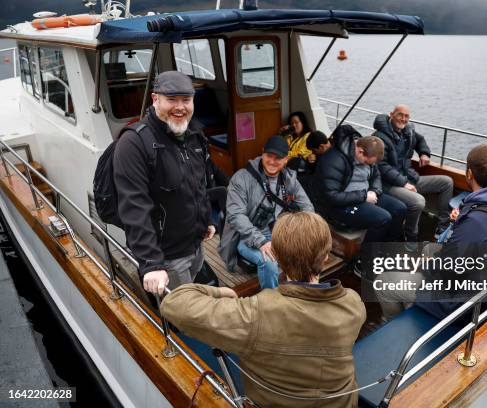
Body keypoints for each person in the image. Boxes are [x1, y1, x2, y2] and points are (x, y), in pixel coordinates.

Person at [161, 212, 366, 408]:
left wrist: (221, 292)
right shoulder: (353, 304)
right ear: (325, 258)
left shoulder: (255, 313)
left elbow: (174, 303)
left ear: (275, 257)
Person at [378, 145, 487, 319]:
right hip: (485, 278)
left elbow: (449, 269)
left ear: (469, 174)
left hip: (459, 301)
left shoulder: (476, 222)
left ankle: (396, 327)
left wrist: (426, 266)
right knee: (427, 251)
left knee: (384, 281)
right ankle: (412, 307)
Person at [114, 71, 215, 295]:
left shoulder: (194, 135)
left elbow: (199, 185)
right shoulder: (134, 143)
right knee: (186, 315)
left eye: (186, 100)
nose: (180, 107)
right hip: (168, 257)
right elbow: (134, 208)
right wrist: (151, 263)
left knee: (195, 289)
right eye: (171, 99)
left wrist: (205, 219)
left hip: (196, 246)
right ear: (155, 99)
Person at [219, 135, 314, 289]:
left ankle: (299, 292)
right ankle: (271, 302)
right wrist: (261, 241)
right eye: (269, 155)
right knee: (269, 262)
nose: (272, 161)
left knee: (305, 249)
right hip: (246, 235)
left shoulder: (289, 179)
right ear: (262, 153)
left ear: (286, 160)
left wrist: (301, 230)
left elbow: (308, 207)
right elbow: (236, 216)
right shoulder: (241, 178)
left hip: (278, 230)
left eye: (278, 158)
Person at [314, 125, 407, 242]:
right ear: (360, 151)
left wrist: (374, 190)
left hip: (365, 196)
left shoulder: (369, 154)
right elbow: (331, 196)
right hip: (341, 206)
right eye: (366, 162)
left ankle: (388, 246)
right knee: (383, 218)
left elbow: (376, 175)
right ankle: (365, 256)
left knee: (400, 209)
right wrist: (364, 196)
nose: (368, 165)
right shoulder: (333, 160)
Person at [373, 105, 453, 241]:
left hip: (408, 177)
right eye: (400, 115)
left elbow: (420, 140)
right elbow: (381, 166)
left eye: (406, 116)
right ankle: (410, 238)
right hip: (388, 184)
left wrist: (424, 152)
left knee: (447, 182)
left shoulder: (408, 131)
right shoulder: (379, 138)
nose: (403, 119)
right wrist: (403, 183)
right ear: (391, 115)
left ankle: (443, 227)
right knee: (418, 201)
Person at [298, 130, 332, 201]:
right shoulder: (323, 152)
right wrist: (311, 162)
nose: (313, 152)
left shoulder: (331, 158)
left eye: (313, 150)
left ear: (321, 147)